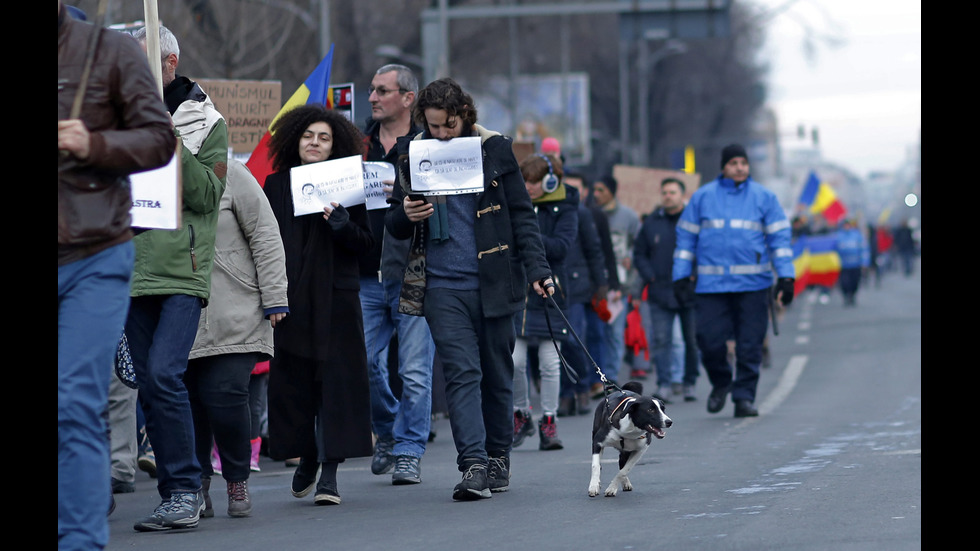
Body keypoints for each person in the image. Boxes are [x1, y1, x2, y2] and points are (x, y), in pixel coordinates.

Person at [385, 77, 554, 501]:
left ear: (464, 115)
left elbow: (521, 216)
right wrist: (406, 212)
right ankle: (474, 465)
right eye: (434, 126)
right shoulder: (411, 151)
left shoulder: (494, 148)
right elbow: (392, 225)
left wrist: (538, 268)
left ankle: (498, 457)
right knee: (462, 373)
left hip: (497, 281)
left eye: (449, 126)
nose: (441, 134)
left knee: (497, 373)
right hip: (442, 285)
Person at [58, 2, 176, 546]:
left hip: (93, 252)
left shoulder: (109, 50)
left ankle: (80, 539)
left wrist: (93, 144)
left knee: (74, 398)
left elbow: (158, 139)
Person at [126, 24, 228, 532]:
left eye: (140, 59)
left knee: (166, 374)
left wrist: (170, 142)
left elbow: (209, 196)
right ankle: (174, 493)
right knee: (148, 384)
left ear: (168, 64)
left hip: (181, 272)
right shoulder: (115, 113)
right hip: (127, 268)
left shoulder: (206, 121)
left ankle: (186, 488)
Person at [263, 104, 375, 506]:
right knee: (293, 386)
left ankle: (330, 474)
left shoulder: (349, 186)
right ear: (296, 140)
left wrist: (345, 227)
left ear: (335, 146)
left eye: (324, 137)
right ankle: (307, 454)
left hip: (337, 300)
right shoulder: (275, 186)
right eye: (309, 136)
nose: (315, 143)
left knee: (337, 387)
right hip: (290, 301)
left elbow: (368, 247)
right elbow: (262, 243)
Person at [186, 158, 289, 518]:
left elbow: (265, 234)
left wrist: (275, 296)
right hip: (175, 309)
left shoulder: (230, 171)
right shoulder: (148, 170)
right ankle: (193, 484)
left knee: (225, 394)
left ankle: (235, 476)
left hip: (236, 308)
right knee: (186, 402)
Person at [672, 144, 795, 418]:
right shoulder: (703, 197)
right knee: (708, 341)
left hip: (753, 285)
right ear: (723, 166)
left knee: (750, 345)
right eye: (733, 163)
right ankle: (721, 382)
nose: (739, 167)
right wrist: (680, 276)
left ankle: (744, 398)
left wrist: (786, 276)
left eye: (743, 162)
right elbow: (685, 240)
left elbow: (780, 240)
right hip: (711, 286)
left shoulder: (764, 197)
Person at [359, 64, 437, 485]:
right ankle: (388, 430)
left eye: (382, 91)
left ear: (408, 98)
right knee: (365, 362)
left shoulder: (426, 144)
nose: (372, 97)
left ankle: (408, 450)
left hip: (413, 274)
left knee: (414, 371)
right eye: (371, 90)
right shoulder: (357, 143)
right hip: (363, 276)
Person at [511, 153, 578, 451]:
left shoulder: (566, 206)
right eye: (525, 180)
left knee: (551, 365)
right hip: (518, 292)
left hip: (550, 291)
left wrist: (528, 234)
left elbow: (562, 248)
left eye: (535, 182)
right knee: (515, 362)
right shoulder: (514, 203)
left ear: (550, 181)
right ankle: (521, 413)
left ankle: (549, 421)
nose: (528, 187)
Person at [633, 178, 699, 403]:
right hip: (660, 291)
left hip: (690, 290)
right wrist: (649, 274)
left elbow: (705, 248)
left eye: (672, 192)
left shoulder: (693, 221)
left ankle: (689, 382)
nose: (668, 196)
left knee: (692, 339)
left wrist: (696, 273)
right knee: (661, 340)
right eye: (665, 192)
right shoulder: (651, 223)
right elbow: (639, 253)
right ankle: (664, 383)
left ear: (682, 195)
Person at [556, 171, 609, 416]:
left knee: (574, 340)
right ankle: (566, 393)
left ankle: (583, 387)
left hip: (577, 287)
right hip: (552, 286)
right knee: (556, 345)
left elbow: (595, 251)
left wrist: (601, 285)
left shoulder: (583, 213)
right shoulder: (545, 210)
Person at [591, 175, 640, 388]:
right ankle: (595, 376)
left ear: (612, 191)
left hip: (619, 283)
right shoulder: (590, 215)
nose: (596, 194)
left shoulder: (628, 216)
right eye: (594, 190)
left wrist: (631, 258)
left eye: (601, 190)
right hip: (595, 282)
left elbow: (640, 247)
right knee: (595, 332)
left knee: (614, 334)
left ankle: (611, 375)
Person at [834, 218, 870, 306]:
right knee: (844, 283)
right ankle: (846, 295)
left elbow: (864, 249)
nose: (846, 227)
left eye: (848, 225)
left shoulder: (857, 235)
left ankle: (852, 295)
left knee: (855, 282)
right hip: (843, 265)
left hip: (855, 264)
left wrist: (865, 262)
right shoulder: (837, 236)